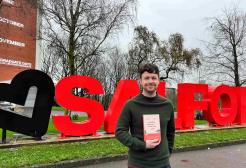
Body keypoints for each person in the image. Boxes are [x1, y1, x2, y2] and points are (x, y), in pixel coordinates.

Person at [115, 63, 175, 168]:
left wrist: (168, 152)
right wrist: (143, 145)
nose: (150, 81)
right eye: (146, 78)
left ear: (158, 81)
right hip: (138, 163)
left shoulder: (167, 105)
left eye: (154, 78)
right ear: (140, 81)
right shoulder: (130, 105)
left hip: (163, 164)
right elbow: (120, 132)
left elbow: (170, 132)